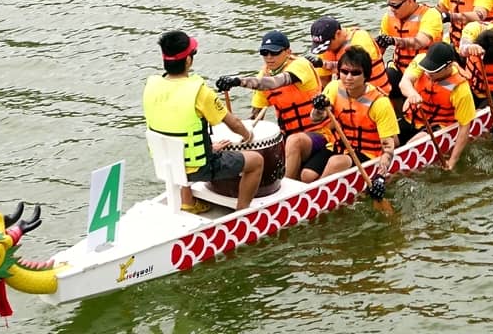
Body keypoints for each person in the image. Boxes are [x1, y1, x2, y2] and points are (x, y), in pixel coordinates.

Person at [143, 30, 264, 214]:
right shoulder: (199, 91)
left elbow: (175, 125)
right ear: (188, 61)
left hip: (166, 162)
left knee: (181, 143)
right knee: (256, 161)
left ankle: (188, 202)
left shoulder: (152, 85)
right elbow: (234, 124)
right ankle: (242, 213)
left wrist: (208, 148)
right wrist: (248, 135)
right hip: (197, 167)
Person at [292, 46, 398, 186]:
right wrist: (318, 108)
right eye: (344, 71)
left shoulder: (380, 103)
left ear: (366, 75)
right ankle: (314, 188)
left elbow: (389, 149)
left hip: (368, 153)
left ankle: (316, 194)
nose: (348, 77)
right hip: (338, 146)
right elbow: (316, 118)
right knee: (306, 175)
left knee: (336, 162)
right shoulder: (334, 87)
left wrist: (380, 176)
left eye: (355, 73)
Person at [227, 30, 322, 179]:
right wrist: (242, 139)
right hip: (288, 134)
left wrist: (238, 81)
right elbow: (255, 117)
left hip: (320, 132)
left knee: (294, 141)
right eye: (265, 53)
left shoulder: (301, 65)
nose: (269, 58)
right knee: (259, 145)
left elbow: (275, 82)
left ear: (288, 52)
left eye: (275, 53)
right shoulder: (262, 76)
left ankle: (288, 189)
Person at [400, 42, 476, 170]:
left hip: (438, 125)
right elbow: (404, 83)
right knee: (389, 137)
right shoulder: (420, 61)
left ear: (448, 66)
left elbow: (464, 127)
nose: (428, 73)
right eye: (427, 68)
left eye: (433, 70)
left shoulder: (460, 89)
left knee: (411, 144)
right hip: (413, 118)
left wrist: (452, 161)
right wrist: (412, 94)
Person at [309, 16, 392, 97]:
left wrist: (324, 64)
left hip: (375, 93)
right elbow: (324, 80)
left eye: (327, 45)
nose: (326, 50)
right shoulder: (325, 47)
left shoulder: (361, 39)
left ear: (338, 34)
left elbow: (354, 68)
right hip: (347, 96)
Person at [377, 0, 445, 79]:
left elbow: (420, 42)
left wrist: (393, 40)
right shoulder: (388, 18)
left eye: (395, 6)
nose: (392, 9)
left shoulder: (430, 15)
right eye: (389, 5)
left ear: (410, 1)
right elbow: (379, 50)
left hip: (426, 71)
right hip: (399, 69)